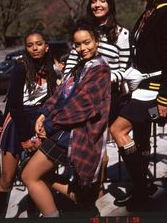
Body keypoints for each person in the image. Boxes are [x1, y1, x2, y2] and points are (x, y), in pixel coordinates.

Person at [110, 0, 167, 210]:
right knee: (142, 141)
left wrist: (165, 100)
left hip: (155, 91)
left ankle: (142, 189)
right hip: (141, 87)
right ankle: (143, 186)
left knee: (118, 131)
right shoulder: (148, 13)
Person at [21, 18, 111, 218]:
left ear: (96, 41)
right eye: (78, 44)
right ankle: (82, 200)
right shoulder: (81, 66)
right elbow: (60, 94)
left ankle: (69, 207)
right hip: (62, 131)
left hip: (71, 135)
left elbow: (83, 107)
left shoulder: (100, 68)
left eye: (87, 42)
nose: (82, 48)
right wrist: (43, 114)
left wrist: (50, 124)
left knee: (29, 175)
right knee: (34, 174)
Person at [64, 0, 130, 195]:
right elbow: (73, 59)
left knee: (99, 146)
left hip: (106, 98)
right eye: (94, 1)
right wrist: (65, 82)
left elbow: (124, 68)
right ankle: (80, 185)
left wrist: (101, 79)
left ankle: (96, 187)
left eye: (102, 0)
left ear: (109, 4)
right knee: (78, 141)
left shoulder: (121, 33)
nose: (97, 4)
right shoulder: (84, 29)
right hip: (80, 96)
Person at [0, 30, 58, 217]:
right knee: (7, 178)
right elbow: (13, 104)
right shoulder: (21, 66)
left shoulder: (50, 67)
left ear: (46, 46)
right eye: (30, 45)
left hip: (39, 121)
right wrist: (24, 139)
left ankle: (34, 213)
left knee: (35, 175)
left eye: (38, 44)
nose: (35, 48)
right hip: (17, 122)